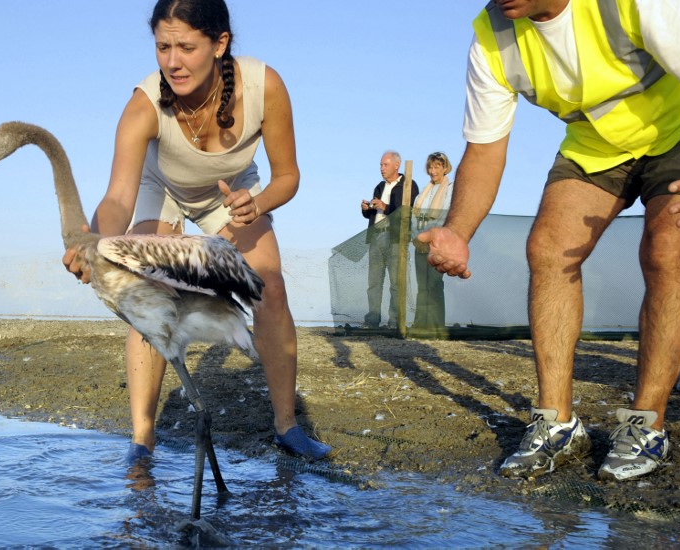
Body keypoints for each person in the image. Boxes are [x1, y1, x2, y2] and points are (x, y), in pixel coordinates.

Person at [418, 0, 680, 481]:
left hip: (679, 128)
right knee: (547, 248)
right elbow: (484, 148)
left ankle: (648, 426)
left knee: (668, 248)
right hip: (597, 145)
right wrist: (457, 231)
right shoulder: (492, 35)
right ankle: (558, 424)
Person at [62, 0, 331, 463]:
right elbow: (119, 198)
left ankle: (287, 428)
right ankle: (142, 438)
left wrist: (257, 205)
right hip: (160, 188)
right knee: (147, 289)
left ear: (220, 43)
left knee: (271, 286)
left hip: (235, 194)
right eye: (163, 47)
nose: (172, 61)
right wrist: (93, 244)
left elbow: (288, 176)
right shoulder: (143, 105)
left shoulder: (265, 85)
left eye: (186, 47)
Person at [360, 151, 418, 328]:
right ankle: (372, 320)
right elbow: (372, 214)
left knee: (396, 282)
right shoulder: (379, 186)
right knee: (374, 282)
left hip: (395, 238)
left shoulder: (409, 185)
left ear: (397, 165)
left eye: (385, 164)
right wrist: (365, 209)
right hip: (376, 236)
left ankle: (395, 321)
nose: (381, 168)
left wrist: (384, 207)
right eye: (380, 165)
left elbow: (404, 213)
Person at [411, 152, 453, 330]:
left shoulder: (450, 189)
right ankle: (421, 324)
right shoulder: (423, 193)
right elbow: (414, 216)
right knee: (422, 286)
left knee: (434, 284)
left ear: (444, 168)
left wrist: (431, 236)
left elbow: (444, 215)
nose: (433, 170)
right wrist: (416, 237)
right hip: (420, 244)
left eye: (437, 166)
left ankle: (436, 326)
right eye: (430, 167)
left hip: (438, 244)